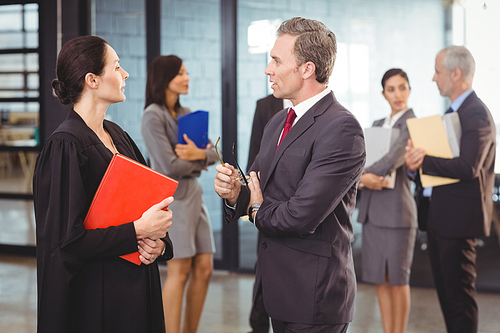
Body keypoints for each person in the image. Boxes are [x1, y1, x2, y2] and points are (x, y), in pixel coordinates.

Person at [214, 17, 365, 333]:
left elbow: (299, 216)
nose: (268, 69)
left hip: (314, 298)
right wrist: (234, 196)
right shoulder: (278, 121)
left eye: (276, 61)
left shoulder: (341, 129)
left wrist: (254, 210)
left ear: (307, 69)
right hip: (277, 291)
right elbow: (258, 190)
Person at [33, 36, 174, 333]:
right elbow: (65, 242)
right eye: (117, 66)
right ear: (92, 80)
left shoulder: (117, 134)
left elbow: (147, 204)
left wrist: (158, 244)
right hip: (98, 300)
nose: (125, 75)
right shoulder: (66, 145)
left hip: (137, 288)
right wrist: (138, 230)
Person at [405, 45, 496, 333]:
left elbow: (468, 167)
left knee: (459, 300)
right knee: (447, 296)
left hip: (458, 222)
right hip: (441, 218)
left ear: (456, 74)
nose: (434, 78)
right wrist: (414, 166)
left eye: (438, 71)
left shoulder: (477, 114)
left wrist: (424, 161)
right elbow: (441, 166)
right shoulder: (453, 112)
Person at [141, 55, 218, 333]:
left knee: (205, 268)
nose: (187, 78)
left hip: (194, 196)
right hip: (174, 200)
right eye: (181, 73)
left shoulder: (186, 114)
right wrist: (202, 159)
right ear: (165, 79)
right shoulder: (152, 115)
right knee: (180, 270)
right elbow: (168, 165)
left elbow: (214, 152)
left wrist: (200, 154)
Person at [357, 68, 417, 333]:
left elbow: (392, 159)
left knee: (398, 279)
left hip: (397, 213)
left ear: (409, 89)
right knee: (379, 279)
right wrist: (362, 176)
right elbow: (364, 158)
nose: (398, 94)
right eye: (391, 89)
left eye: (402, 87)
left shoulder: (413, 124)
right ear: (383, 94)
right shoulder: (378, 124)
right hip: (373, 211)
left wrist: (359, 176)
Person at [246, 94, 285, 333]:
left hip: (296, 205)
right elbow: (255, 151)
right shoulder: (265, 105)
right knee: (264, 266)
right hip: (266, 202)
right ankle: (258, 325)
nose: (269, 71)